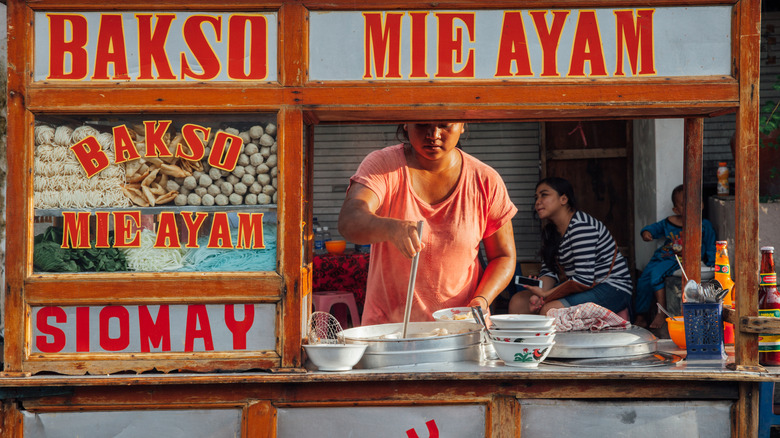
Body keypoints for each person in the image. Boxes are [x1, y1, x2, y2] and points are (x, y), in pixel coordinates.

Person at [338, 122, 518, 325]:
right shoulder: (383, 166)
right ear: (406, 124)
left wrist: (481, 299)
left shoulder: (485, 180)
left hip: (458, 328)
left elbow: (503, 255)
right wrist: (390, 228)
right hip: (388, 329)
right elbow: (349, 220)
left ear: (462, 125)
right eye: (423, 124)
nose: (434, 134)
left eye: (444, 125)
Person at [508, 177, 632, 316]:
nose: (538, 202)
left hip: (612, 289)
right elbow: (549, 271)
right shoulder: (552, 232)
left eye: (544, 195)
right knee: (518, 302)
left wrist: (547, 294)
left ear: (563, 199)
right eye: (536, 197)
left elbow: (584, 280)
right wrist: (538, 295)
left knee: (550, 311)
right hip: (581, 288)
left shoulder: (581, 226)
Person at [635, 184, 717, 328]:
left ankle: (662, 314)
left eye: (695, 203)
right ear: (676, 209)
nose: (690, 207)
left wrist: (711, 265)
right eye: (684, 204)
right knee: (643, 282)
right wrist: (646, 233)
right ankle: (640, 316)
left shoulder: (704, 225)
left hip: (677, 259)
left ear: (702, 205)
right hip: (660, 257)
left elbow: (710, 246)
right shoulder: (669, 222)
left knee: (655, 275)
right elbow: (652, 229)